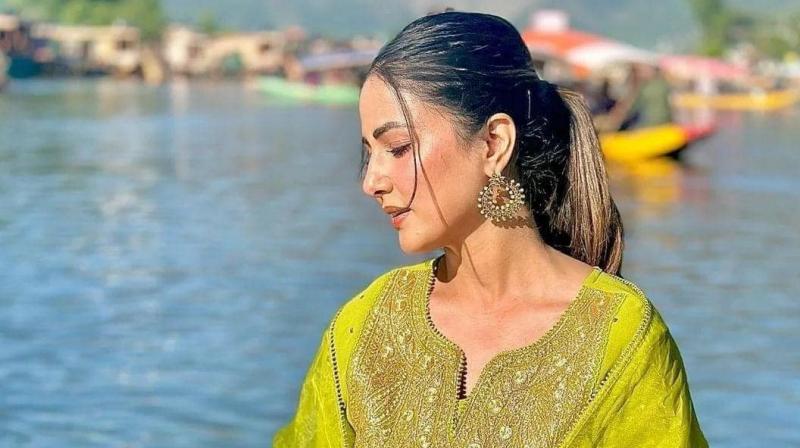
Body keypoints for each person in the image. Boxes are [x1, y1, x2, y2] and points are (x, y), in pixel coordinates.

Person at [273, 11, 707, 447]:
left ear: (494, 143)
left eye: (398, 147)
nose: (372, 182)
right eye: (370, 153)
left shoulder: (622, 338)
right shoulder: (364, 325)